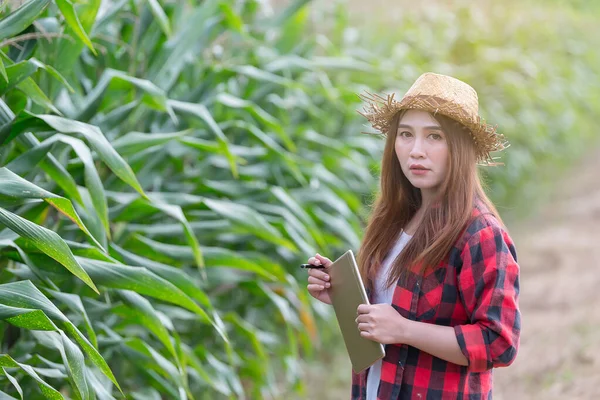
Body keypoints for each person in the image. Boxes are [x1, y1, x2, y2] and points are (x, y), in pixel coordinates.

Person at [305, 72, 521, 400]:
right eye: (406, 134)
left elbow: (499, 342)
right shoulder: (392, 220)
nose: (416, 150)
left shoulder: (480, 235)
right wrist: (345, 295)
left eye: (434, 137)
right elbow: (388, 314)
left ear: (459, 148)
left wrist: (405, 331)